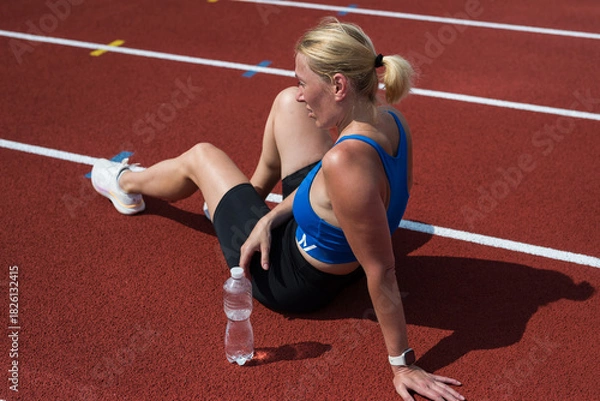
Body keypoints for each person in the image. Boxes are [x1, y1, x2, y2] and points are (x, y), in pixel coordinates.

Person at [91, 17, 465, 401]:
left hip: (289, 279)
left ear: (338, 85)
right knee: (285, 104)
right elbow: (328, 186)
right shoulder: (390, 121)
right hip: (336, 248)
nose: (302, 93)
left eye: (306, 82)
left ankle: (124, 184)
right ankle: (242, 203)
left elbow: (383, 271)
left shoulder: (343, 164)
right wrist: (269, 215)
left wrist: (402, 363)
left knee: (202, 156)